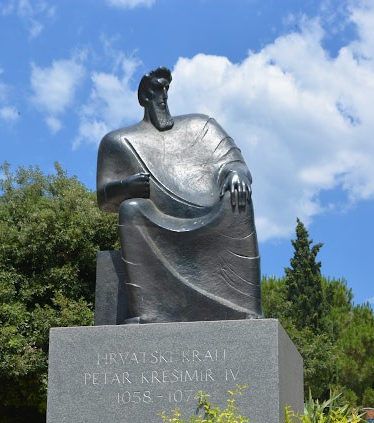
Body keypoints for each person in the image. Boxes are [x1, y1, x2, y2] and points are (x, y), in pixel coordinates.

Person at [96, 67, 262, 323]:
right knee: (131, 209)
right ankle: (149, 312)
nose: (162, 96)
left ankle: (243, 309)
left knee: (238, 199)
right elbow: (103, 198)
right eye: (156, 89)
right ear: (143, 97)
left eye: (166, 89)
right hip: (155, 221)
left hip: (212, 216)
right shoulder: (119, 141)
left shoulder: (201, 126)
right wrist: (125, 186)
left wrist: (237, 174)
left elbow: (235, 163)